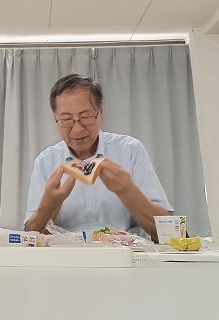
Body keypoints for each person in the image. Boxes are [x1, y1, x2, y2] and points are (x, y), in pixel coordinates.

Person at [24, 74, 173, 240]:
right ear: (55, 119)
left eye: (86, 117)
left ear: (100, 112)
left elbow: (168, 231)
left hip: (125, 252)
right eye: (66, 119)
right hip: (66, 253)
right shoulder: (45, 161)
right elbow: (31, 236)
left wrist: (127, 190)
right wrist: (50, 203)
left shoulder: (130, 150)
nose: (77, 129)